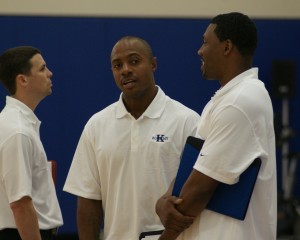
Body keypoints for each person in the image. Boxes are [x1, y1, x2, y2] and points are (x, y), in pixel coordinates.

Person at [63, 36, 200, 240]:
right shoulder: (96, 125)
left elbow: (198, 192)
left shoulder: (187, 121)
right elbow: (88, 199)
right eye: (117, 65)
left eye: (134, 61)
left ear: (153, 64)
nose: (125, 70)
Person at [155, 12, 277, 240]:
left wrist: (166, 235)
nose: (199, 51)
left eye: (205, 42)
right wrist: (163, 201)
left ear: (227, 46)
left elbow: (200, 188)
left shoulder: (240, 101)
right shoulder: (225, 98)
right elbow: (192, 170)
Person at [0, 46, 63, 240]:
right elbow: (20, 203)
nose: (50, 73)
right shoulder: (18, 131)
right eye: (42, 69)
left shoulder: (14, 124)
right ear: (23, 80)